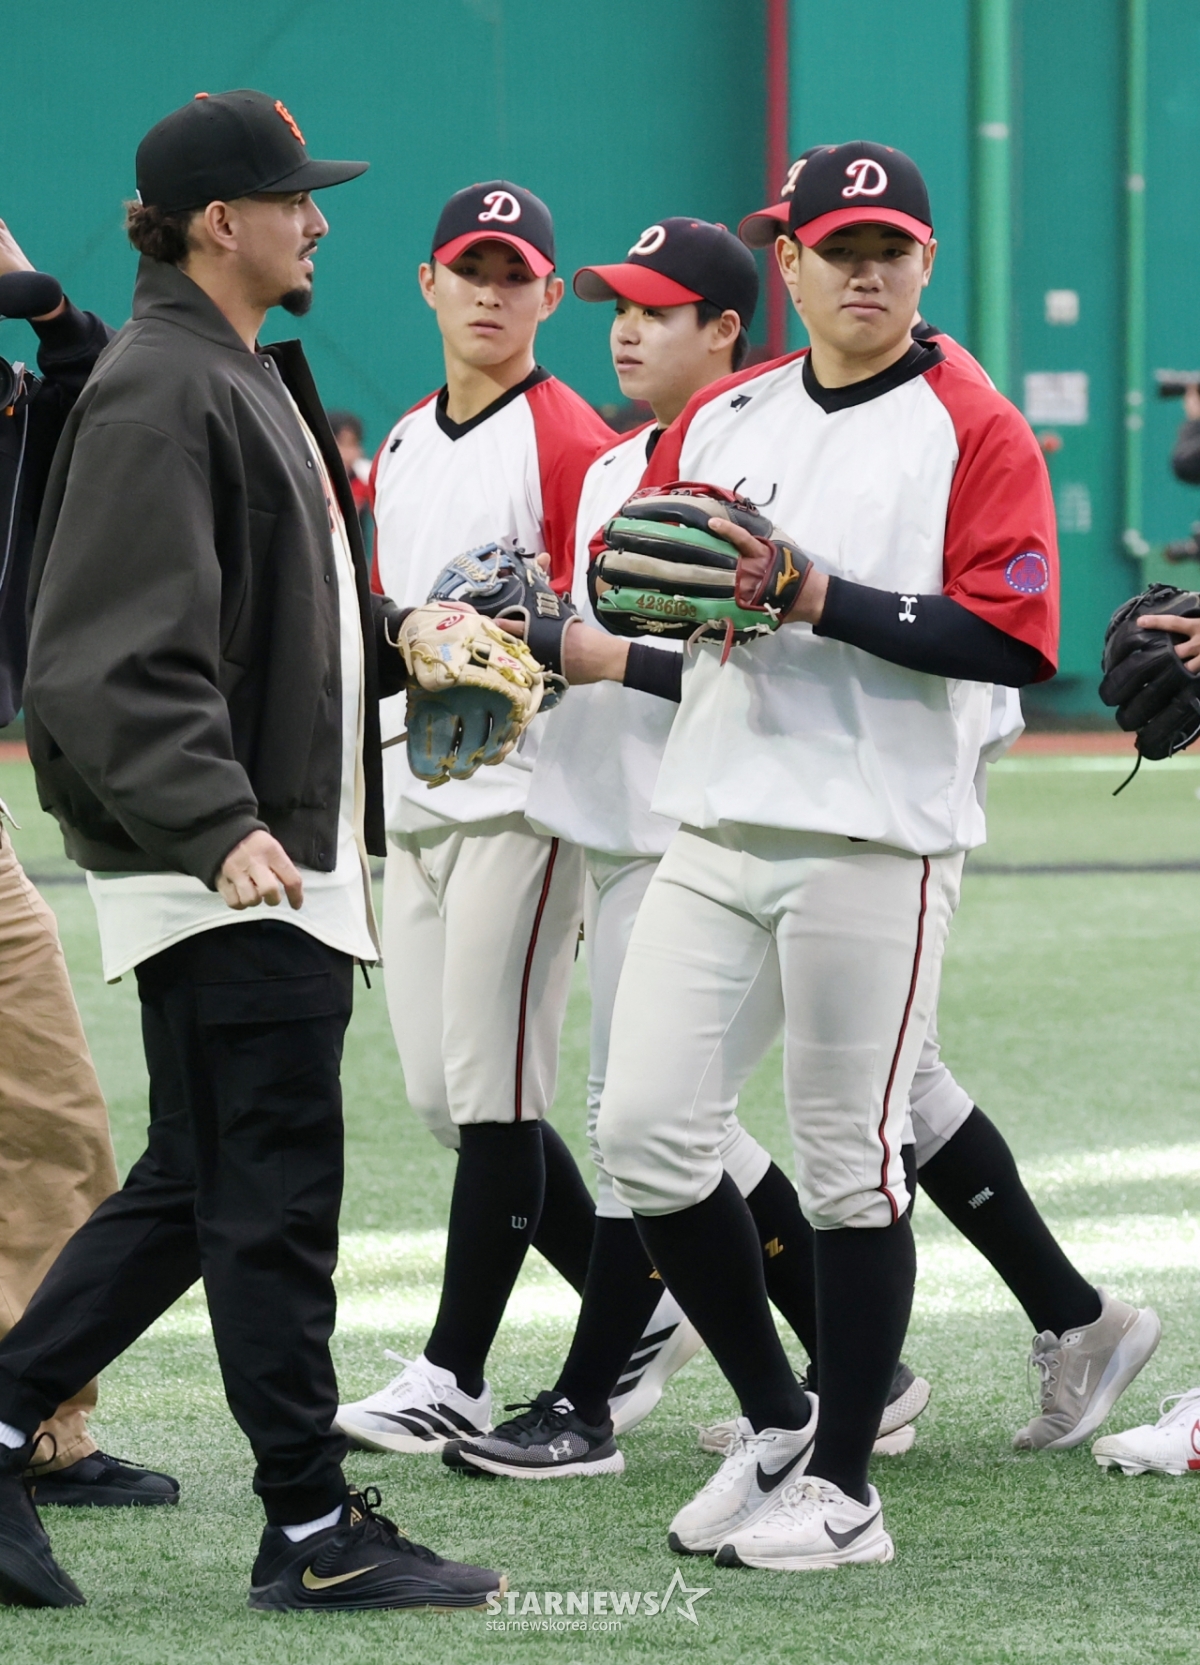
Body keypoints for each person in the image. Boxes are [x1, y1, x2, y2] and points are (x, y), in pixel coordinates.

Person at [0, 90, 500, 1613]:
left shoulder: (215, 368)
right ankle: (310, 1529)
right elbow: (101, 663)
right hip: (231, 859)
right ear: (221, 222)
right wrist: (221, 825)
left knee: (198, 1184)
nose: (320, 220)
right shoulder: (165, 384)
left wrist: (405, 640)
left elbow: (262, 611)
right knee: (271, 1199)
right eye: (295, 198)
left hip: (248, 848)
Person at [564, 139, 1062, 1572]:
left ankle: (845, 1490)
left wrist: (813, 592)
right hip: (716, 818)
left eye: (889, 249)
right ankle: (781, 1421)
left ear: (926, 263)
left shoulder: (975, 424)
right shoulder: (726, 412)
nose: (864, 270)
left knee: (852, 1164)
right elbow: (641, 573)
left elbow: (1009, 634)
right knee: (647, 1132)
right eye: (839, 247)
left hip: (874, 839)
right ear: (789, 261)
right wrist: (619, 603)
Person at [445, 216, 927, 1480]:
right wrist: (514, 654)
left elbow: (745, 659)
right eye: (618, 306)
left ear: (726, 328)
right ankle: (855, 1376)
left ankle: (601, 1404)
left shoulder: (766, 462)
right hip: (611, 816)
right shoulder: (617, 465)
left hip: (709, 825)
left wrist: (592, 651)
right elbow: (604, 636)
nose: (626, 330)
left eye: (657, 311)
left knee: (666, 1123)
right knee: (666, 1126)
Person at [336, 180, 698, 1459]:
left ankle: (456, 1373)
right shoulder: (403, 442)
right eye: (470, 271)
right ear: (428, 284)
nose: (490, 295)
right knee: (446, 1100)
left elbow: (608, 630)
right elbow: (388, 622)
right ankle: (643, 1300)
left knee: (493, 1098)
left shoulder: (570, 442)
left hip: (523, 797)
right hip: (418, 794)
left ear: (549, 294)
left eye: (514, 275)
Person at [0, 226, 178, 1508]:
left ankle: (41, 1425)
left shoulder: (24, 405)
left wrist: (51, 307)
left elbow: (92, 387)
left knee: (51, 1113)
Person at [326, 407, 372, 546]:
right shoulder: (315, 479)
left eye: (353, 444)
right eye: (342, 443)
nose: (349, 453)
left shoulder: (363, 480)